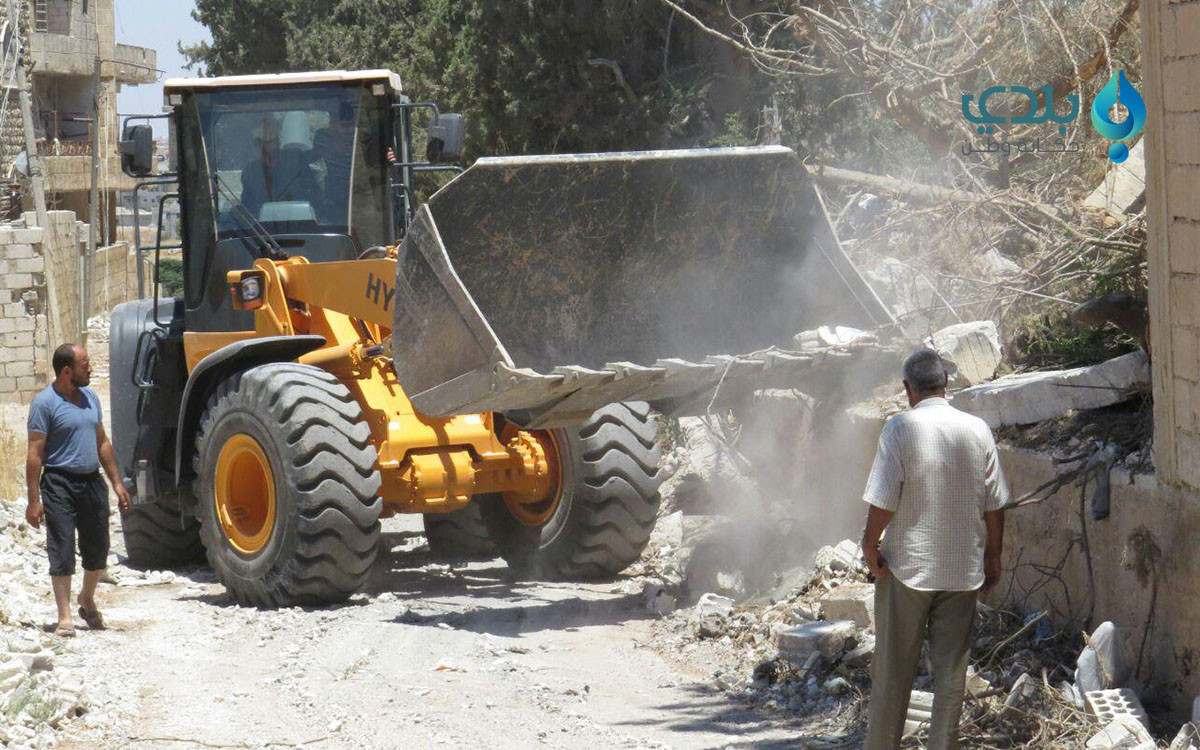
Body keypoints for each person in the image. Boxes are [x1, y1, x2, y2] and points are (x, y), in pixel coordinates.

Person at [860, 349, 1009, 750]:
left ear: (908, 389)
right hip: (961, 571)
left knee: (893, 671)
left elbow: (884, 501)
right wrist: (993, 557)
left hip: (907, 569)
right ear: (946, 384)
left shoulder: (899, 429)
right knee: (950, 676)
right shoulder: (978, 430)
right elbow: (996, 504)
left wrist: (869, 543)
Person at [25, 344, 130, 636]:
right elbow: (35, 453)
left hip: (91, 480)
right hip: (58, 482)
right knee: (62, 548)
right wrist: (34, 500)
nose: (91, 368)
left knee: (98, 549)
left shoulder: (91, 397)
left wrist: (117, 483)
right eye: (86, 364)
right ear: (67, 371)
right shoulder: (44, 404)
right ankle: (65, 617)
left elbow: (102, 442)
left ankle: (86, 598)